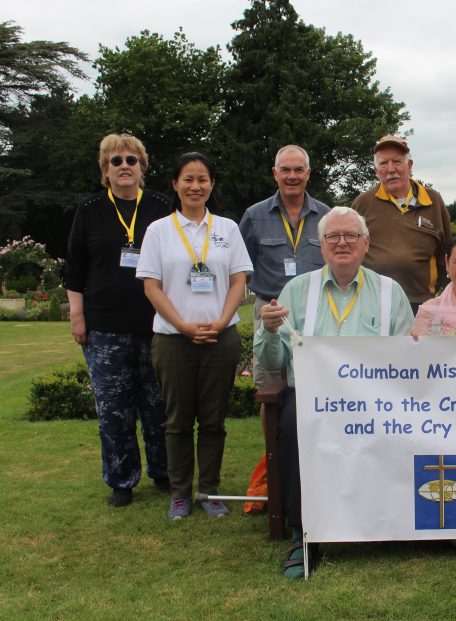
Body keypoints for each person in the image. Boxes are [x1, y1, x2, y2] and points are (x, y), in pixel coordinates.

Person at [254, 206, 414, 578]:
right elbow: (274, 359)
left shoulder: (391, 293)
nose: (342, 243)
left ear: (366, 243)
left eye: (351, 236)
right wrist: (271, 330)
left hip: (375, 399)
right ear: (321, 246)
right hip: (312, 397)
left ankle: (386, 518)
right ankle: (302, 533)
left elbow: (406, 359)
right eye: (332, 237)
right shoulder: (296, 289)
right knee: (292, 424)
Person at [136, 152, 253, 520]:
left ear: (211, 185)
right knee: (177, 420)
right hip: (173, 339)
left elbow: (239, 281)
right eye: (188, 179)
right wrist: (184, 326)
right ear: (175, 184)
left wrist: (221, 321)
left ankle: (211, 491)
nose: (195, 186)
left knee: (214, 420)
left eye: (202, 179)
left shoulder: (227, 229)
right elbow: (152, 287)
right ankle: (180, 493)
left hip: (221, 338)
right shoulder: (158, 230)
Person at [64, 133, 171, 508]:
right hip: (106, 326)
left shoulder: (162, 206)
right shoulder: (90, 210)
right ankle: (121, 480)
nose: (124, 166)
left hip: (158, 325)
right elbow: (75, 269)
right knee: (114, 409)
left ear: (142, 167)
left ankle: (165, 473)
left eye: (131, 160)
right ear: (105, 170)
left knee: (159, 406)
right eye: (116, 161)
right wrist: (78, 317)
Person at [239, 145, 330, 398]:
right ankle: (273, 440)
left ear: (308, 173)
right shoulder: (254, 216)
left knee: (314, 382)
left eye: (298, 170)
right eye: (285, 170)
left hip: (313, 311)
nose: (292, 176)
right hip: (270, 310)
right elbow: (240, 268)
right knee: (268, 387)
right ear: (275, 173)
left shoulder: (326, 216)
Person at [351, 135, 452, 312]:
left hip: (422, 304)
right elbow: (351, 251)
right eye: (383, 163)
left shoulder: (433, 200)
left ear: (409, 165)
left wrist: (433, 291)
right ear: (376, 170)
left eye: (397, 161)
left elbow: (446, 254)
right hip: (372, 303)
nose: (391, 169)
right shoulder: (362, 203)